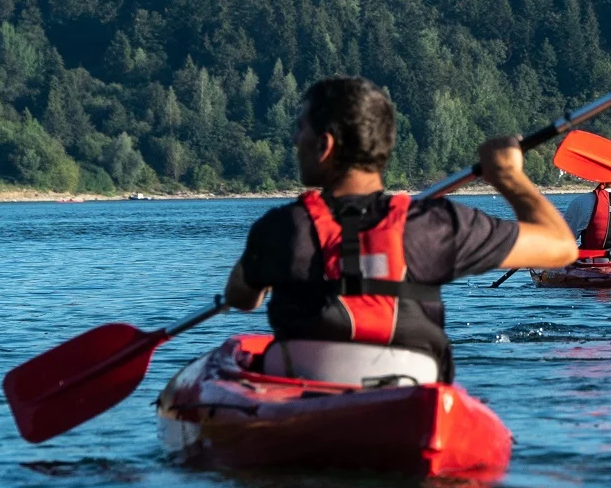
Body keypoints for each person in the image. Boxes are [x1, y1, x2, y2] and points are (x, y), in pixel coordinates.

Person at [223, 76, 578, 384]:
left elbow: (242, 298)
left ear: (324, 145)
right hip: (409, 395)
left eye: (300, 128)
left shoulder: (281, 228)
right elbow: (561, 246)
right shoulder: (433, 225)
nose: (293, 140)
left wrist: (268, 259)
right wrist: (507, 176)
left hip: (303, 400)